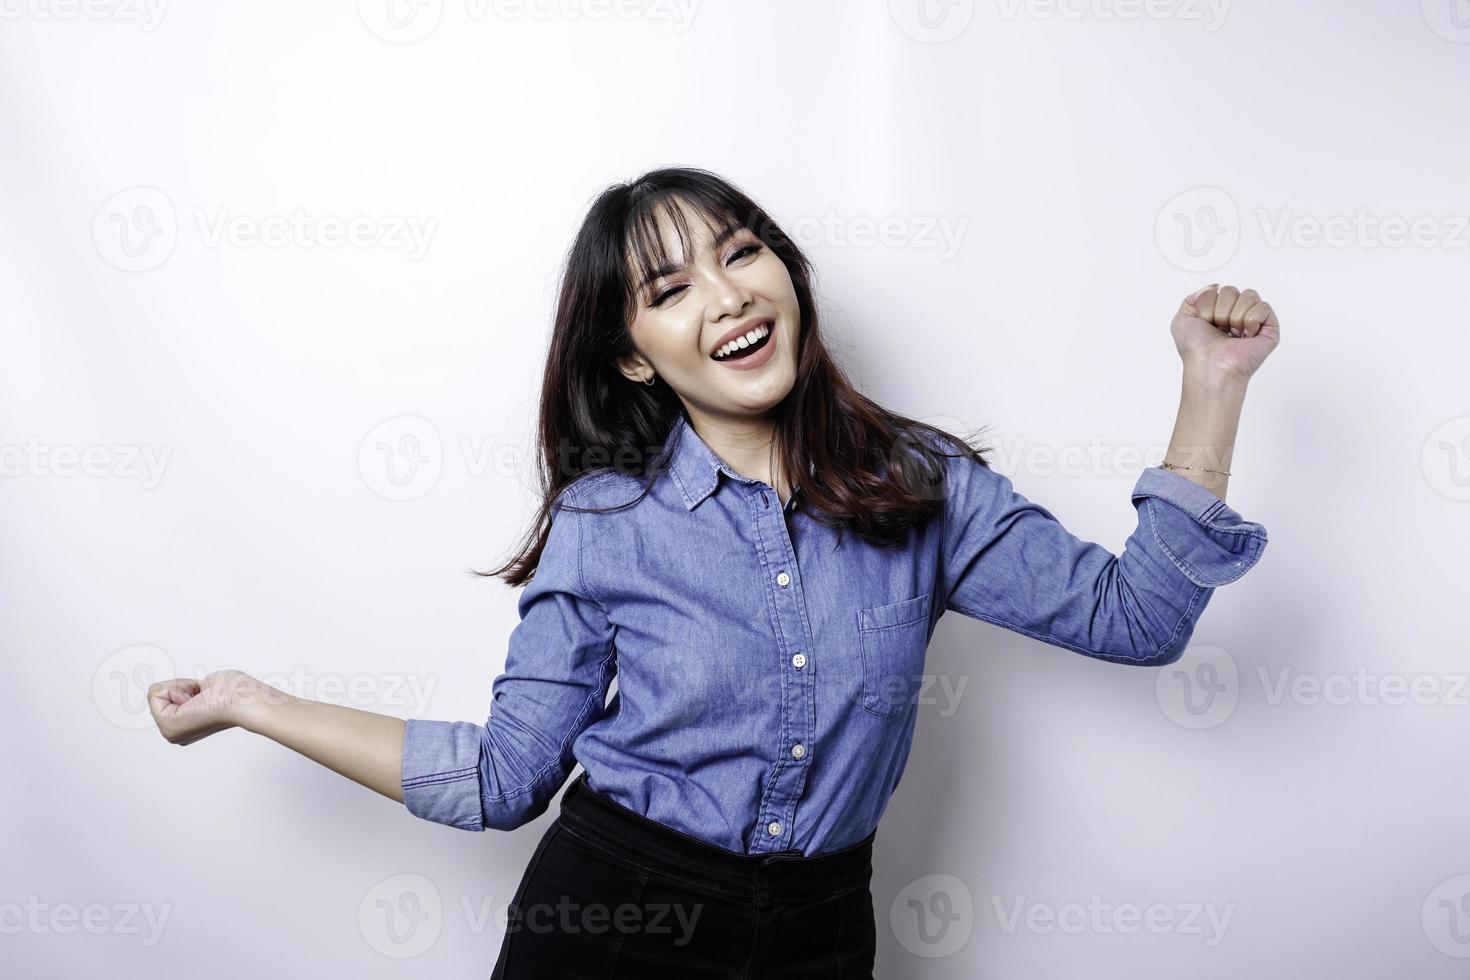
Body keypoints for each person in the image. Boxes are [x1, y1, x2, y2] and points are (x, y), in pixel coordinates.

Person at [147, 166, 1278, 978]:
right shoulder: (605, 522)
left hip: (824, 932)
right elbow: (501, 779)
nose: (728, 293)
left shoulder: (921, 486)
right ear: (636, 353)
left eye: (742, 252)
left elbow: (1139, 618)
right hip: (610, 923)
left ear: (786, 272)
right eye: (671, 285)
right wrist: (256, 703)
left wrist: (1212, 383)